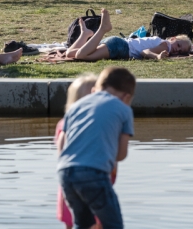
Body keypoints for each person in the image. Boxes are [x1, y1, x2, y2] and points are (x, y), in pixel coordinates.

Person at [57, 67, 136, 229]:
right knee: (113, 224)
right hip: (94, 173)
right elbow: (121, 154)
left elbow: (61, 144)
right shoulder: (124, 109)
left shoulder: (76, 106)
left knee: (82, 223)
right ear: (126, 97)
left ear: (96, 88)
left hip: (65, 173)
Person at [55, 74, 100, 229]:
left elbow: (61, 153)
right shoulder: (92, 125)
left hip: (68, 181)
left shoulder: (63, 123)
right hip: (90, 182)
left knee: (72, 221)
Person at [65, 9, 192, 61]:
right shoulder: (165, 46)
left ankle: (84, 34)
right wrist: (157, 56)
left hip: (117, 42)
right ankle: (103, 29)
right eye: (179, 45)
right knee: (81, 55)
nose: (178, 49)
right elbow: (145, 52)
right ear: (173, 39)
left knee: (70, 54)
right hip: (120, 47)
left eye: (181, 50)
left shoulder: (161, 41)